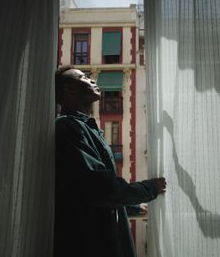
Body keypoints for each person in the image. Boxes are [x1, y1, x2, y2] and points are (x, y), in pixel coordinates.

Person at [54, 65, 166, 257]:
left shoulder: (84, 128)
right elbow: (100, 189)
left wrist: (134, 207)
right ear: (69, 89)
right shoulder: (68, 127)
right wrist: (150, 189)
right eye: (84, 77)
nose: (92, 80)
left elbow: (88, 192)